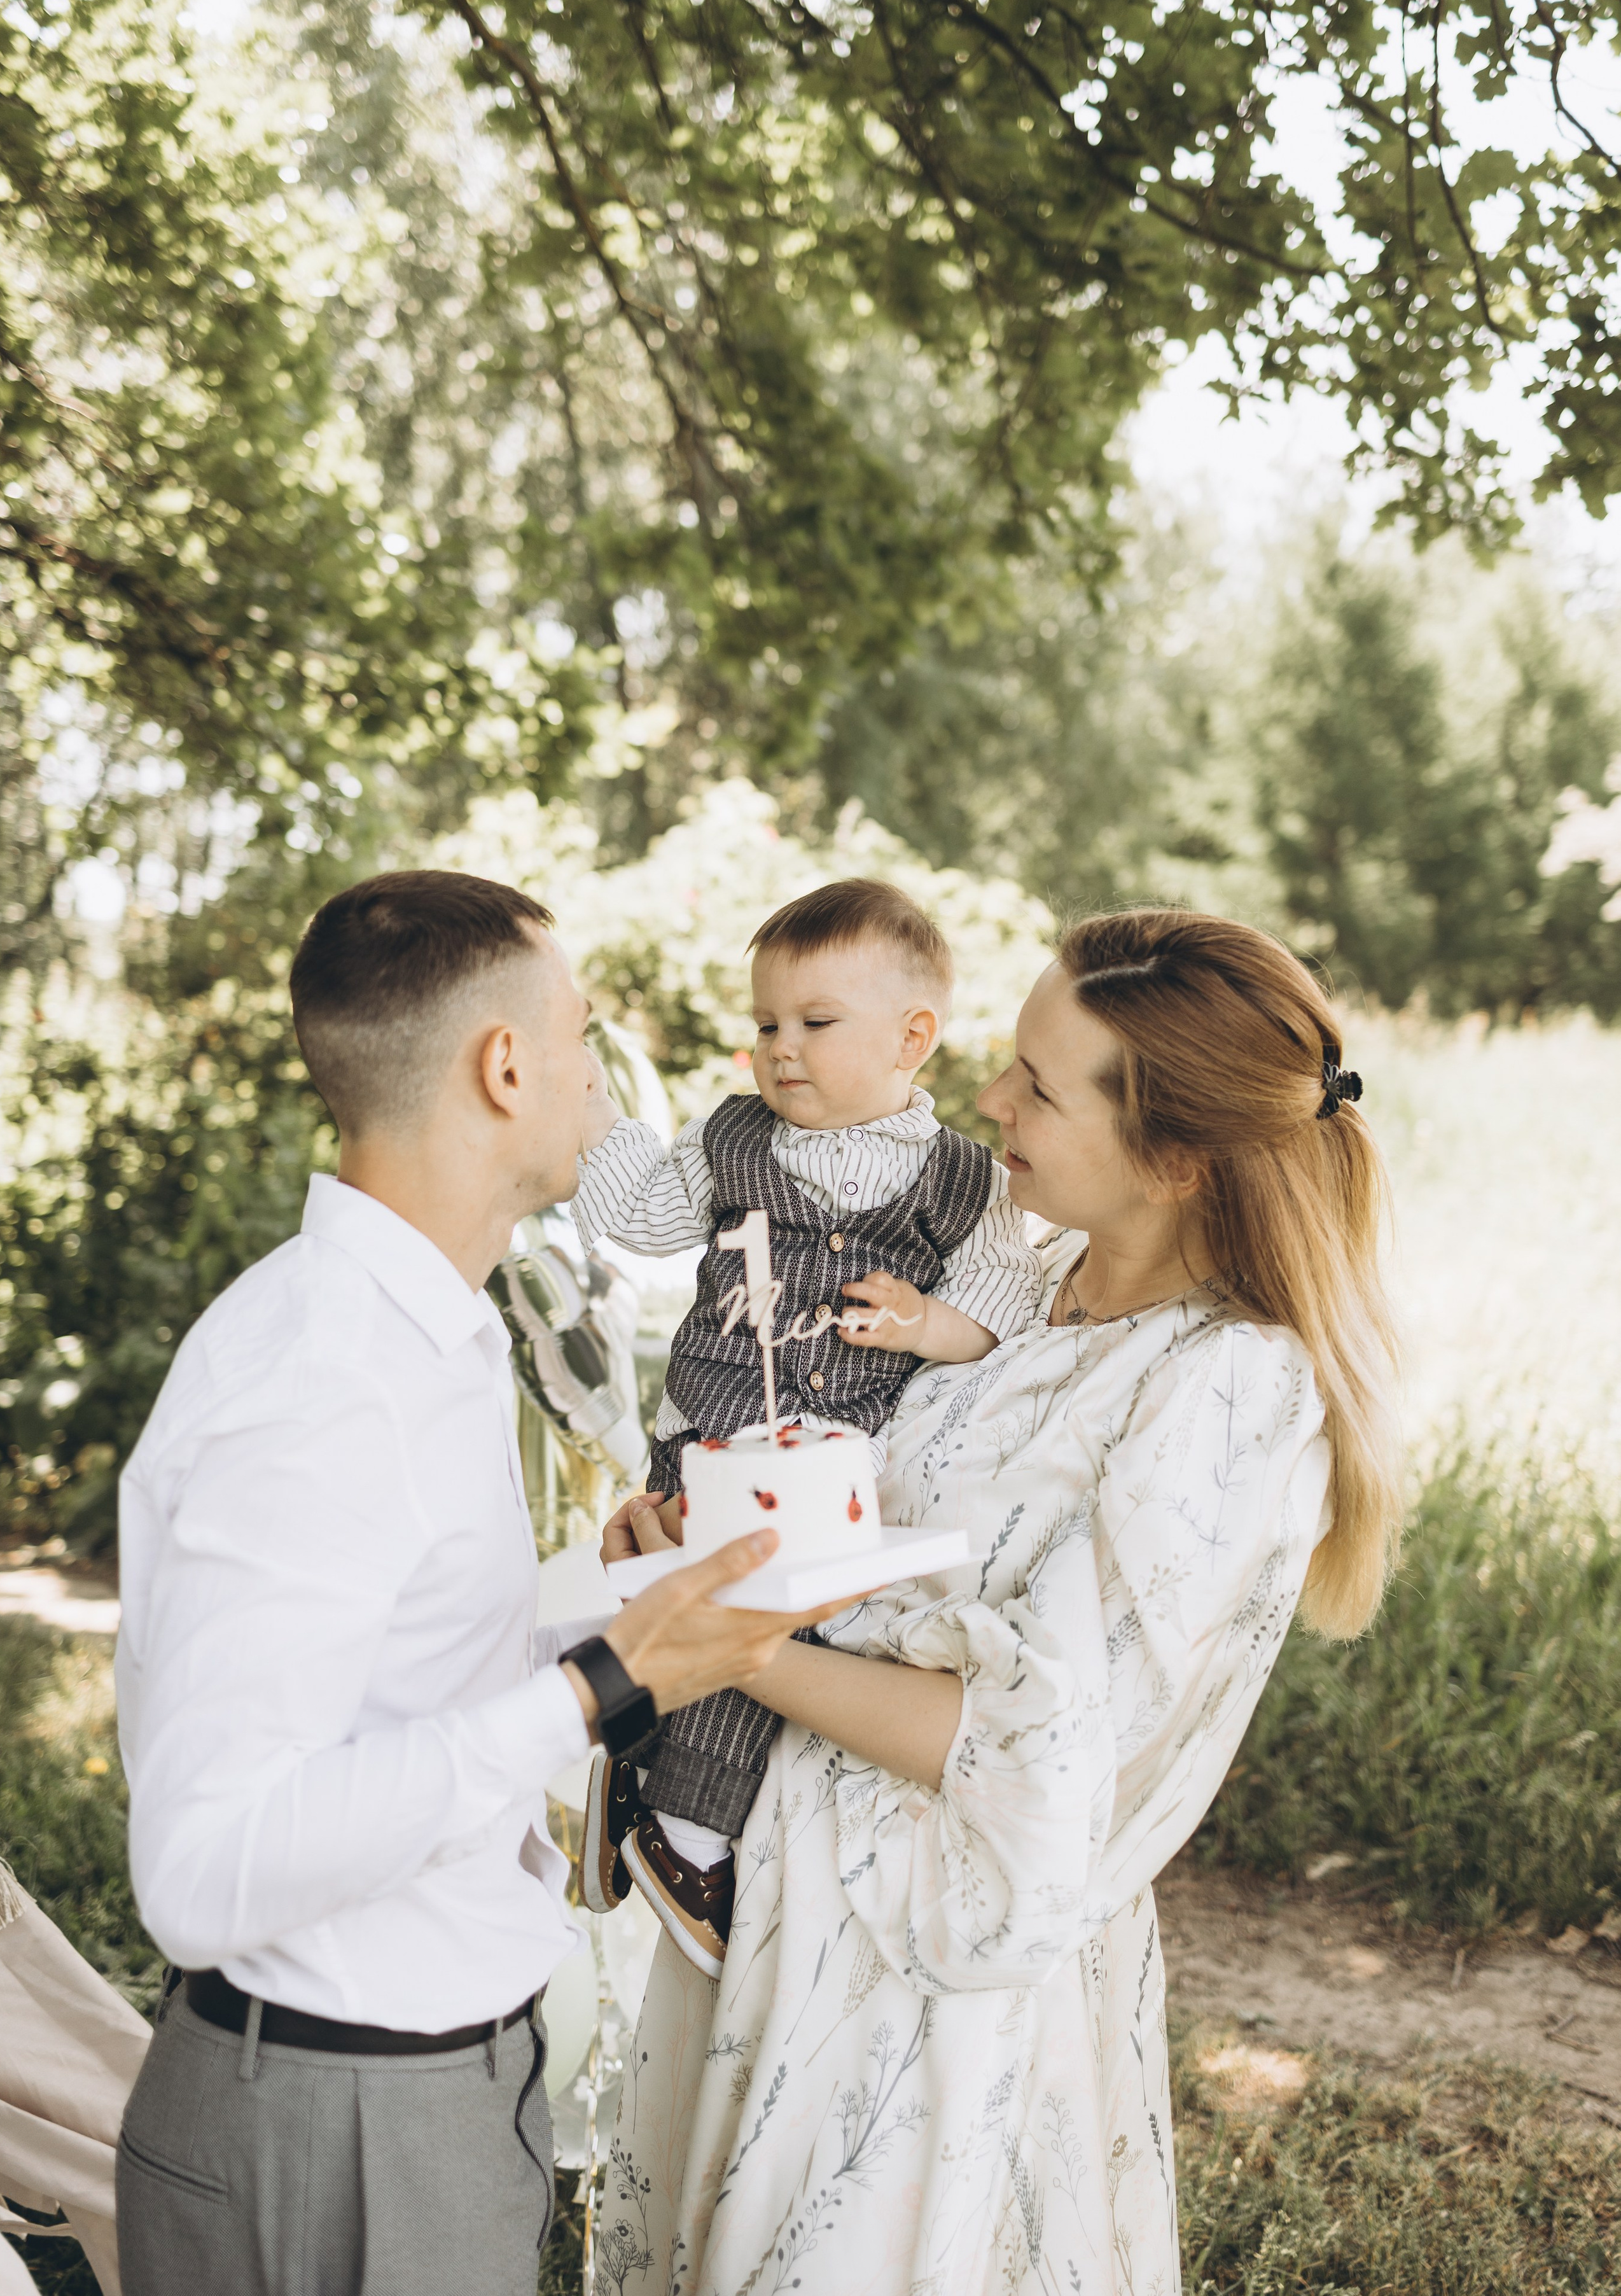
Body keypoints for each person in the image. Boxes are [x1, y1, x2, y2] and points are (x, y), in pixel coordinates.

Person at [597, 907, 1403, 2296]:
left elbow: (1040, 1748)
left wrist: (722, 1638)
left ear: (1174, 1156)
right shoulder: (1024, 1293)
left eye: (1036, 1082)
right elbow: (878, 1543)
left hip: (928, 1982)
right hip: (790, 1895)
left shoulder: (1224, 1387)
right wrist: (711, 1535)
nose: (987, 1100)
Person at [111, 870, 851, 2296]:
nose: (595, 1076)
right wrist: (614, 1682)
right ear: (504, 1067)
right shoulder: (322, 1381)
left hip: (429, 2096)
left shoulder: (424, 1331)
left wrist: (600, 1599)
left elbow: (395, 1660)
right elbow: (204, 1874)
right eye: (579, 1036)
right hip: (335, 2131)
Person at [569, 879, 1040, 1975]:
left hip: (841, 1461)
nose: (782, 1050)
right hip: (716, 1433)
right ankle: (684, 1837)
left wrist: (926, 1324)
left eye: (816, 1024)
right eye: (767, 1024)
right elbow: (641, 1215)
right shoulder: (735, 1141)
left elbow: (1002, 1304)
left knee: (795, 1635)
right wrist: (588, 1110)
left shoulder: (962, 1178)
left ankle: (639, 1770)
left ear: (912, 1038)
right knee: (728, 1609)